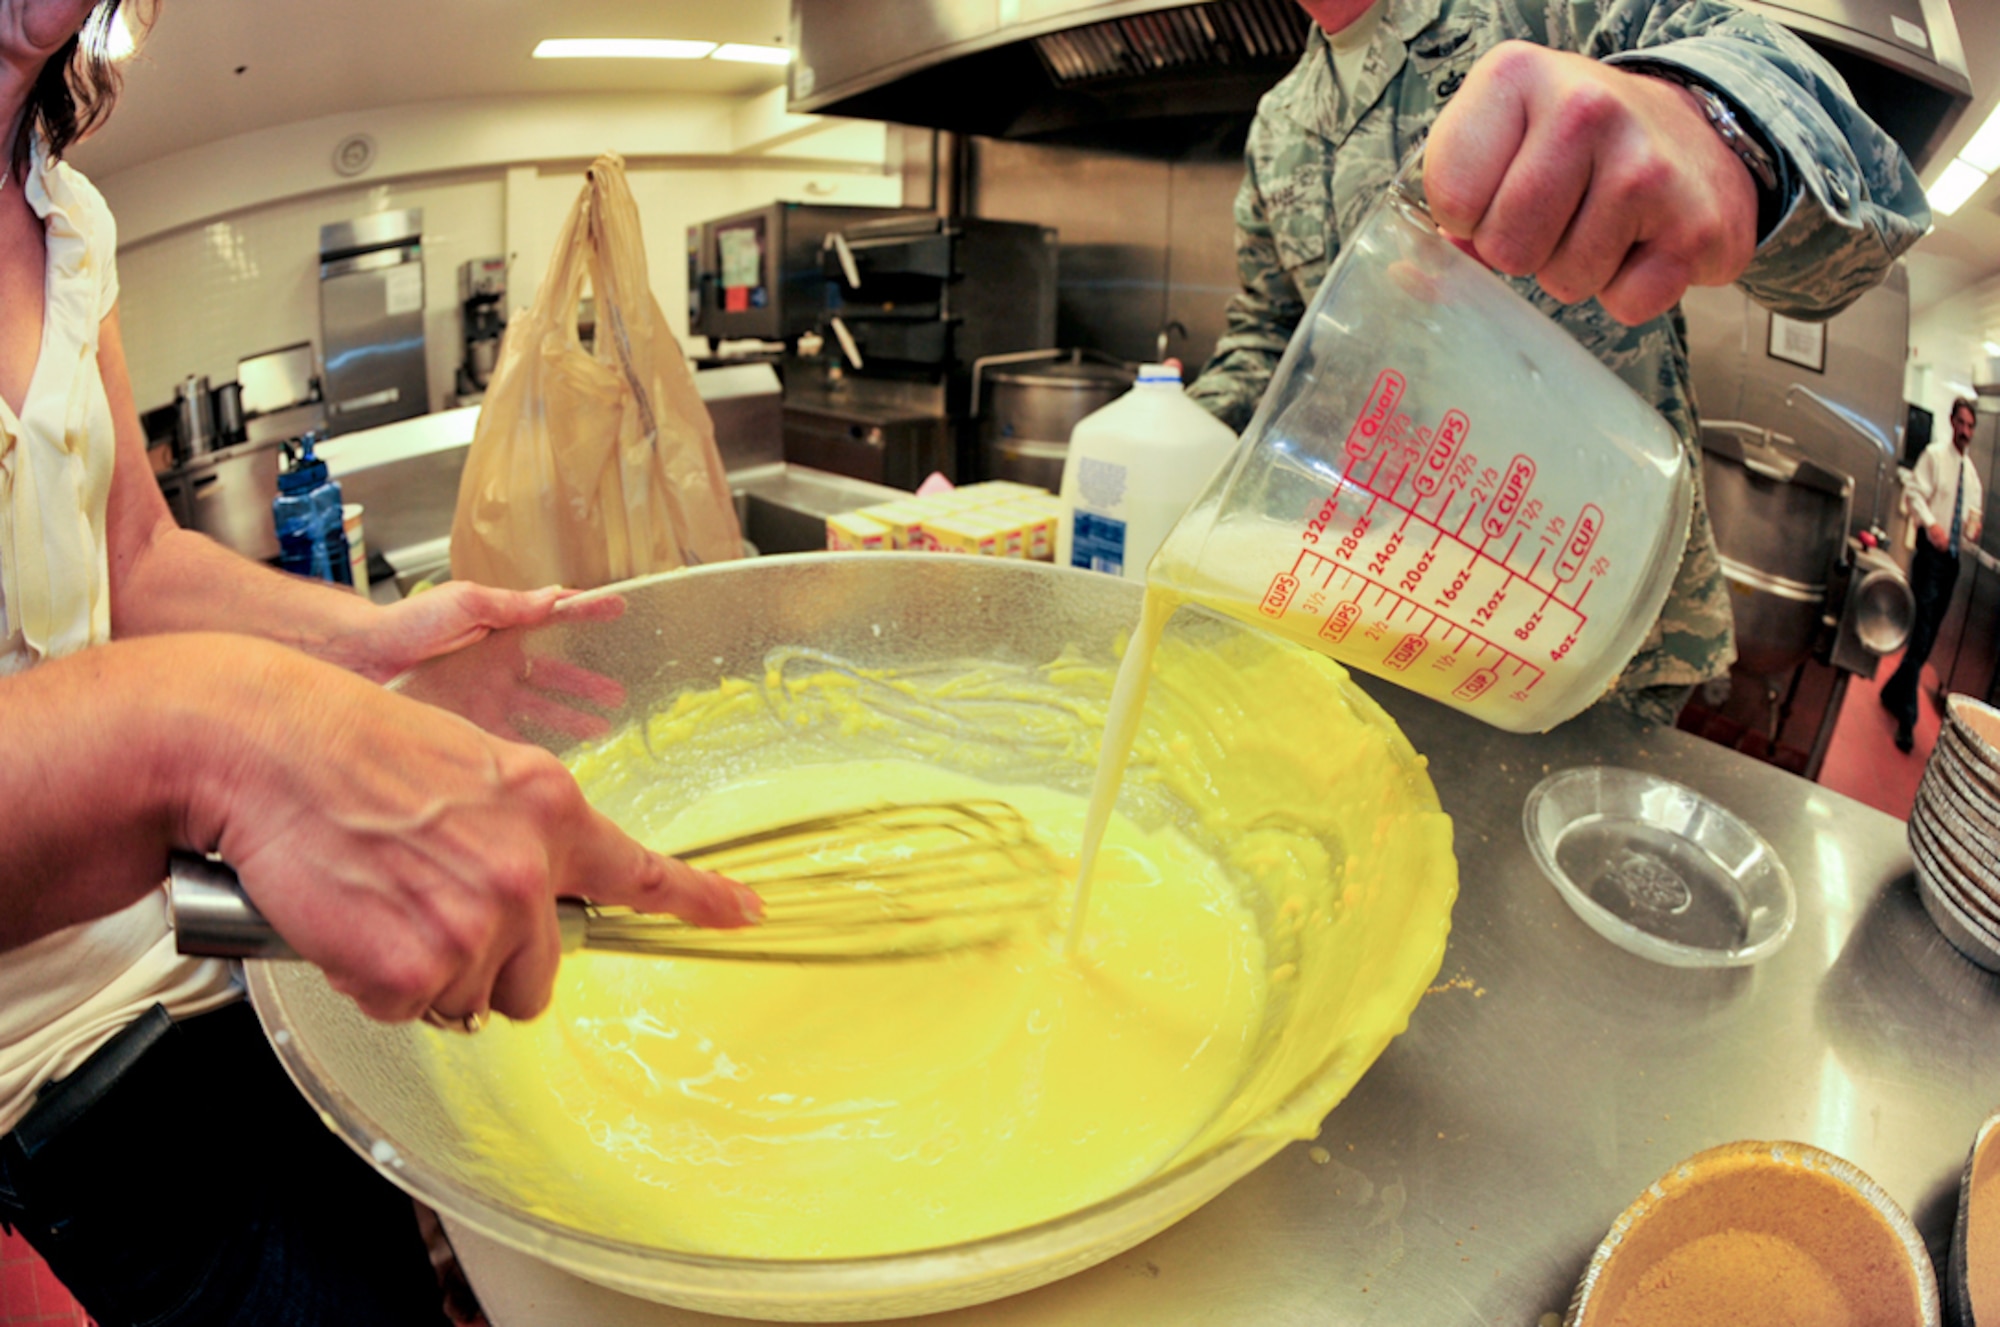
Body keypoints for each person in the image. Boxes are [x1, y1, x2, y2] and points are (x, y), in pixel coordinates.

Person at [0, 3, 757, 1323]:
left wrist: (383, 643)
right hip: (46, 1074)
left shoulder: (68, 221)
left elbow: (135, 555)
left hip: (196, 938)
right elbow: (184, 719)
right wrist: (216, 733)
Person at [1188, 0, 1928, 725]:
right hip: (1378, 608)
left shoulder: (1536, 14)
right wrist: (1165, 430)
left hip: (1592, 617)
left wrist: (1712, 130)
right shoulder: (1279, 125)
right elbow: (1272, 335)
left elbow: (1862, 189)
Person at [1881, 396, 1983, 753]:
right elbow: (1914, 492)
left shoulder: (1971, 475)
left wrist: (1973, 529)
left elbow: (1973, 513)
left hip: (1952, 563)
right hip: (1930, 557)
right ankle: (1907, 717)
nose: (1966, 432)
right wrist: (1931, 524)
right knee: (1922, 630)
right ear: (1952, 422)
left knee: (1929, 633)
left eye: (1971, 426)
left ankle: (1893, 691)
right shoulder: (1934, 457)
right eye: (1962, 424)